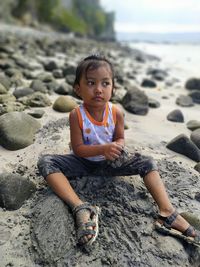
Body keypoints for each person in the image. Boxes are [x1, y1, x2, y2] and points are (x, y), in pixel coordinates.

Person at [37, 54, 200, 247]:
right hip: (83, 162)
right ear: (77, 89)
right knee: (46, 162)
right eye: (90, 83)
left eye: (105, 83)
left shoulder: (115, 113)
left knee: (147, 162)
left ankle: (167, 212)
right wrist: (102, 148)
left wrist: (118, 146)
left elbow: (120, 137)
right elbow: (79, 149)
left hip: (111, 164)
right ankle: (80, 206)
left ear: (113, 88)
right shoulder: (76, 115)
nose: (98, 89)